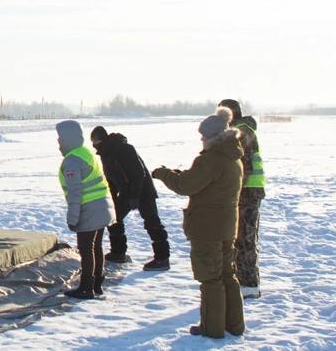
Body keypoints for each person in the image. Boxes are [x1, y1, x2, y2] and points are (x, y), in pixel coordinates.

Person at [152, 109, 245, 339]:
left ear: (214, 138)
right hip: (225, 226)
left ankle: (211, 328)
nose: (201, 140)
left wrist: (163, 174)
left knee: (210, 278)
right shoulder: (233, 158)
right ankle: (234, 325)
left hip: (207, 228)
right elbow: (200, 181)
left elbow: (186, 185)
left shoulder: (211, 159)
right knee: (227, 275)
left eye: (204, 137)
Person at [90, 126, 170, 271]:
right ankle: (118, 252)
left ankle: (162, 258)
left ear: (101, 139)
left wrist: (134, 196)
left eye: (94, 141)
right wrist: (111, 198)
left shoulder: (123, 149)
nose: (93, 145)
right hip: (126, 192)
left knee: (151, 221)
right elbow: (111, 179)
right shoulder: (105, 153)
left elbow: (139, 173)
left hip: (143, 190)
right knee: (114, 218)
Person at [56, 119, 116, 300]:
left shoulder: (72, 161)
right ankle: (97, 283)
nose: (58, 142)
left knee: (85, 248)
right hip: (103, 207)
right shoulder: (86, 153)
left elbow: (75, 193)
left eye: (60, 138)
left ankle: (86, 287)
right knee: (96, 246)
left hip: (89, 210)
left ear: (68, 139)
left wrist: (73, 218)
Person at [219, 98, 266, 299]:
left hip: (246, 192)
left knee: (244, 238)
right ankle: (243, 282)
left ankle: (248, 286)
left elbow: (244, 167)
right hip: (248, 191)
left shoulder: (241, 132)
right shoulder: (241, 129)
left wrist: (233, 190)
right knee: (241, 237)